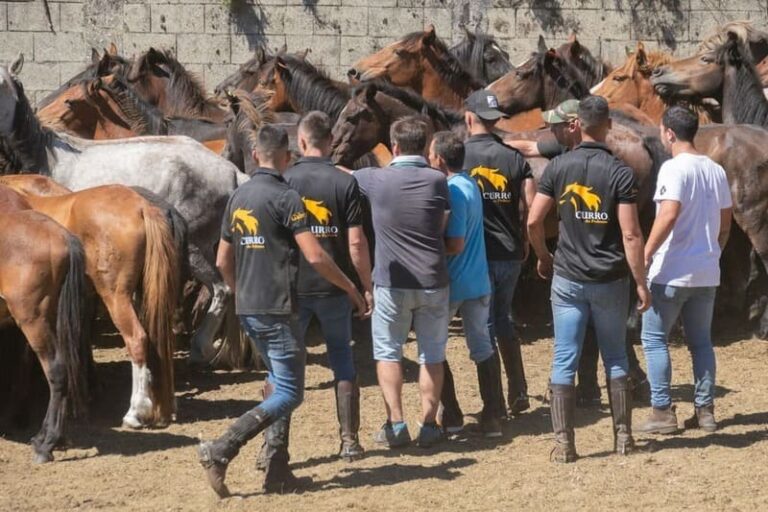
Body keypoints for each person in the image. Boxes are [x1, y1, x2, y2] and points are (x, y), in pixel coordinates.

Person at [197, 125, 366, 497]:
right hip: (279, 307)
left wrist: (241, 291)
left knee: (277, 381)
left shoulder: (238, 197)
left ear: (256, 155)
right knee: (291, 393)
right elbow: (316, 254)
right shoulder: (287, 198)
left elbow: (223, 258)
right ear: (287, 156)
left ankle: (277, 469)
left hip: (250, 308)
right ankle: (222, 448)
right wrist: (351, 287)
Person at [527, 95, 651, 463]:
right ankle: (624, 437)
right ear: (608, 125)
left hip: (567, 277)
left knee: (564, 355)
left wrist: (544, 256)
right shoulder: (619, 172)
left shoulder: (558, 167)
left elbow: (534, 221)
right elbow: (631, 234)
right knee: (615, 355)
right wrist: (640, 281)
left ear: (577, 124)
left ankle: (565, 445)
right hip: (610, 278)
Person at [354, 116, 450, 449]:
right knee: (432, 355)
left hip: (391, 282)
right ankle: (429, 425)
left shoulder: (375, 178)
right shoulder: (438, 181)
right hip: (433, 280)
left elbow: (338, 176)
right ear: (425, 146)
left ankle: (396, 424)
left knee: (388, 353)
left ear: (393, 146)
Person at [284, 111, 373, 461]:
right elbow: (356, 244)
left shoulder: (285, 181)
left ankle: (274, 446)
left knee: (285, 367)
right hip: (336, 289)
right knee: (343, 360)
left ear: (301, 142)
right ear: (332, 142)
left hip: (294, 288)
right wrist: (364, 286)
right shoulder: (345, 183)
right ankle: (349, 441)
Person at [637, 106, 732, 434]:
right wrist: (713, 252)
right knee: (701, 343)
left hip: (671, 271)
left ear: (669, 133)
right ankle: (705, 411)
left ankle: (662, 410)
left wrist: (646, 253)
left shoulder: (673, 169)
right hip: (706, 272)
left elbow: (668, 214)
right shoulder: (715, 170)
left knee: (653, 339)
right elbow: (725, 223)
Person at [463, 89, 536, 417]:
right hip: (509, 252)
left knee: (483, 327)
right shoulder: (514, 158)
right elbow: (531, 208)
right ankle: (518, 389)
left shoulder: (457, 157)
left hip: (474, 255)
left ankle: (493, 403)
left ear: (468, 118)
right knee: (502, 318)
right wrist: (527, 243)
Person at [428, 130, 504, 437]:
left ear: (441, 160)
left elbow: (455, 243)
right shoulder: (471, 183)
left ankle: (453, 414)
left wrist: (429, 248)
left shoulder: (452, 191)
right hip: (478, 280)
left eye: (431, 155)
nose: (428, 159)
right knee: (482, 346)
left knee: (433, 347)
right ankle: (494, 414)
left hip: (454, 281)